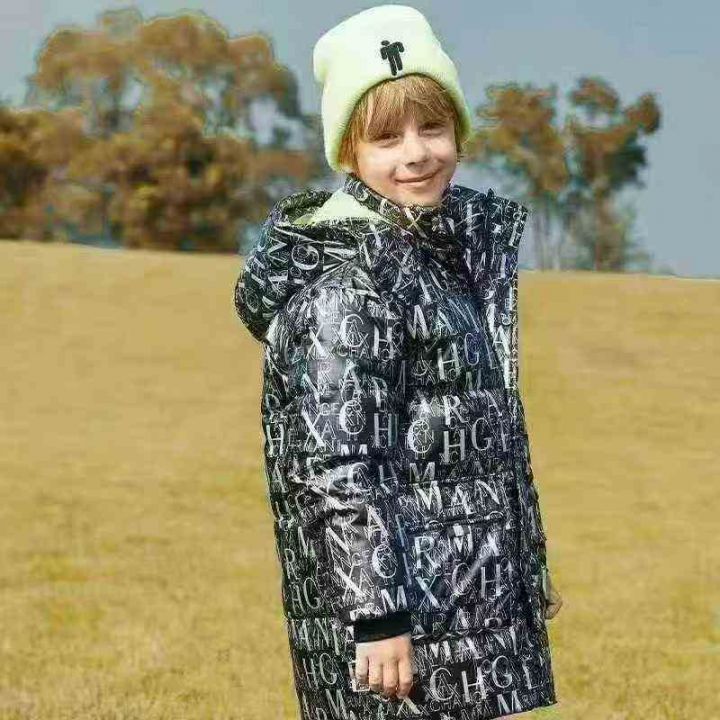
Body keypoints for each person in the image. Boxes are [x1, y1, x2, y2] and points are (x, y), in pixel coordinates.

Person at [233, 5, 563, 719]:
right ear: (348, 153)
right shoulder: (348, 283)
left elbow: (474, 445)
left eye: (432, 128)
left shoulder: (439, 254)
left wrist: (522, 567)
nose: (416, 154)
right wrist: (377, 616)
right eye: (386, 138)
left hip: (465, 601)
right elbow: (339, 465)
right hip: (399, 625)